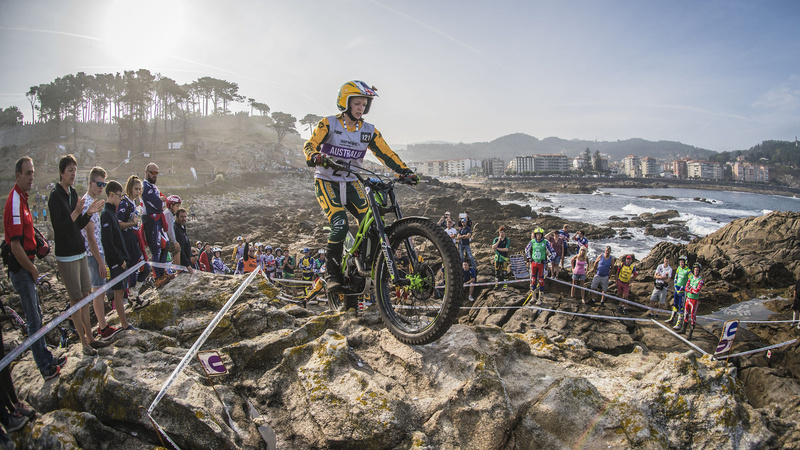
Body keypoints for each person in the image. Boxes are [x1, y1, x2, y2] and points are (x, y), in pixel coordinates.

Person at [303, 80, 416, 304]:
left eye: (364, 104)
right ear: (345, 103)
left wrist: (405, 171)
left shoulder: (368, 131)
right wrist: (314, 156)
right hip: (326, 182)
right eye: (356, 103)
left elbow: (386, 153)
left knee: (373, 223)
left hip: (353, 181)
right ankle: (332, 275)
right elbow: (310, 145)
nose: (360, 108)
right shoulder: (328, 124)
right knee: (340, 224)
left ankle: (363, 265)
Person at [5, 157, 68, 379]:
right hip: (21, 270)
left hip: (27, 267)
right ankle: (44, 366)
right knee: (33, 319)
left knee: (37, 316)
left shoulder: (23, 199)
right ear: (18, 175)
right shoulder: (14, 201)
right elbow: (14, 245)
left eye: (33, 172)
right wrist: (32, 269)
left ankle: (47, 358)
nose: (32, 177)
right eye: (28, 173)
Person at [48, 155, 108, 357]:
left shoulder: (73, 193)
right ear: (61, 173)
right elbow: (60, 229)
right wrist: (76, 212)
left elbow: (78, 226)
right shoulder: (55, 196)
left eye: (75, 170)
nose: (73, 174)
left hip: (80, 251)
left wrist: (88, 213)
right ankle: (83, 342)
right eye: (70, 170)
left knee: (85, 295)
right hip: (66, 255)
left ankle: (91, 337)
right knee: (75, 299)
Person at [82, 166, 119, 340]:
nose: (101, 188)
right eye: (99, 184)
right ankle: (103, 329)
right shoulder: (87, 204)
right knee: (98, 291)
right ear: (90, 182)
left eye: (103, 185)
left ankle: (102, 326)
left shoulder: (92, 202)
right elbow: (90, 238)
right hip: (93, 255)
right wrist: (100, 261)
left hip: (95, 254)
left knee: (100, 290)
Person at [100, 181, 134, 331]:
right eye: (119, 196)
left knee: (120, 292)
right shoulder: (106, 214)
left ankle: (124, 322)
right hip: (115, 262)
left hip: (120, 259)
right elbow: (108, 242)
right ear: (111, 195)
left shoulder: (112, 212)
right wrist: (120, 261)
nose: (121, 199)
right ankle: (124, 324)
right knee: (118, 293)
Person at [141, 163, 170, 285]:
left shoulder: (153, 187)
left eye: (157, 173)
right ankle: (157, 277)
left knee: (166, 244)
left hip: (158, 218)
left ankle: (161, 272)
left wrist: (161, 200)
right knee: (156, 248)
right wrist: (160, 201)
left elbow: (164, 199)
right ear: (146, 172)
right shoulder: (145, 187)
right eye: (153, 173)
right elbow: (159, 203)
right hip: (151, 219)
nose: (155, 175)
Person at [118, 175, 148, 293]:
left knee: (144, 268)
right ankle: (131, 293)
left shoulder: (133, 204)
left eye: (140, 189)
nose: (138, 192)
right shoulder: (124, 203)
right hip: (128, 239)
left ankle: (134, 292)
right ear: (130, 188)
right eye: (136, 189)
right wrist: (132, 223)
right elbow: (118, 223)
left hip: (135, 238)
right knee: (133, 266)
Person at [524, 227, 555, 305]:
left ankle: (540, 299)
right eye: (537, 234)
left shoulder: (545, 242)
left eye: (539, 234)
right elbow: (526, 249)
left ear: (542, 235)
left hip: (541, 264)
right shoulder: (532, 241)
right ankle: (533, 297)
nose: (538, 236)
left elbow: (553, 253)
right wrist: (529, 258)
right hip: (534, 263)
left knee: (541, 281)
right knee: (533, 280)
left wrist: (548, 260)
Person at [677, 262, 704, 339]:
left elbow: (697, 291)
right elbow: (686, 287)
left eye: (697, 270)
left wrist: (690, 289)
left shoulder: (700, 280)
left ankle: (690, 334)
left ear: (699, 271)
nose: (696, 271)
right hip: (688, 298)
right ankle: (683, 329)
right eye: (695, 270)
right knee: (686, 314)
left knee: (692, 316)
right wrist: (691, 289)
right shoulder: (691, 277)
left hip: (694, 300)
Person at [668, 256, 691, 326]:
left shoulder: (688, 270)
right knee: (675, 304)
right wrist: (675, 285)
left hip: (683, 292)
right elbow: (676, 277)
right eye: (680, 261)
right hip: (677, 289)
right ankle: (672, 318)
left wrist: (685, 287)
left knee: (681, 306)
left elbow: (691, 280)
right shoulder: (678, 268)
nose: (681, 263)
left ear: (685, 262)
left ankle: (679, 323)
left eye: (682, 262)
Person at [173, 209, 193, 274]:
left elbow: (186, 242)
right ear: (176, 217)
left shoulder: (182, 226)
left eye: (185, 216)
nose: (184, 219)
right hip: (182, 263)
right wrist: (187, 265)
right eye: (181, 217)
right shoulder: (176, 229)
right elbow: (180, 248)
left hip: (188, 259)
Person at [163, 195, 183, 262]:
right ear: (171, 206)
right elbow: (170, 229)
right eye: (177, 206)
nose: (178, 208)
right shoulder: (168, 214)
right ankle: (178, 269)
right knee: (177, 249)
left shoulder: (170, 214)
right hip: (163, 237)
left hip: (165, 237)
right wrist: (175, 242)